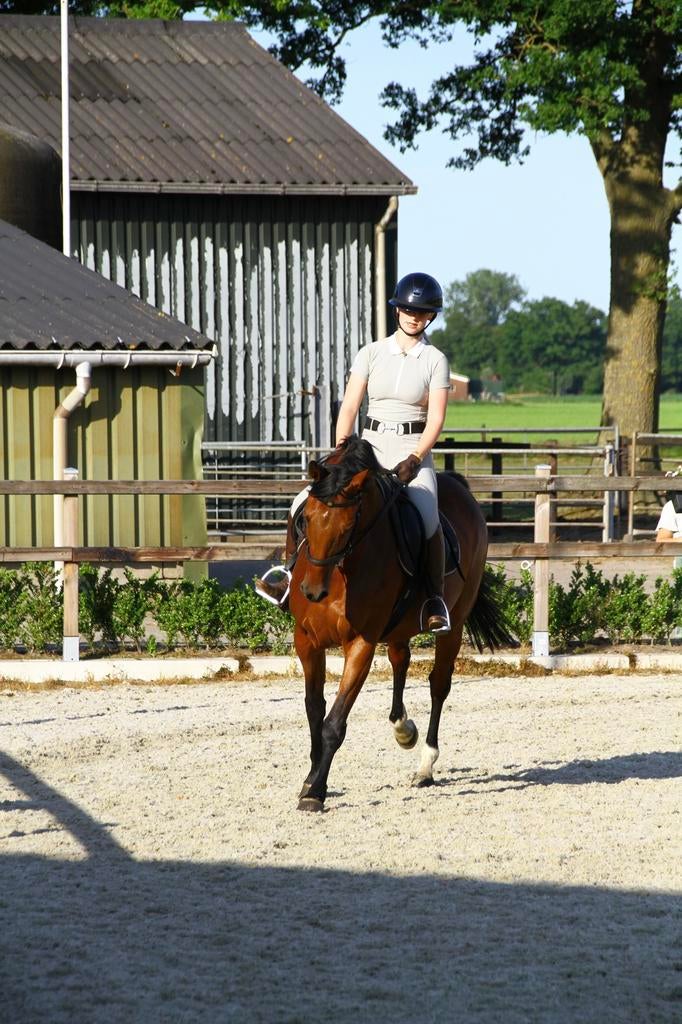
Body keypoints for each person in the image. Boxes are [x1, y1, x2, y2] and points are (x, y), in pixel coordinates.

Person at [255, 271, 452, 633]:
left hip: (411, 449)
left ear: (431, 317)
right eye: (408, 309)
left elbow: (436, 419)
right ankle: (286, 576)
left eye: (422, 312)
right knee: (303, 500)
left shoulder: (435, 360)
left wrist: (416, 456)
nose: (413, 316)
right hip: (368, 447)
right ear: (397, 310)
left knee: (428, 518)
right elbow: (349, 407)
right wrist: (342, 446)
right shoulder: (372, 353)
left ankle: (434, 599)